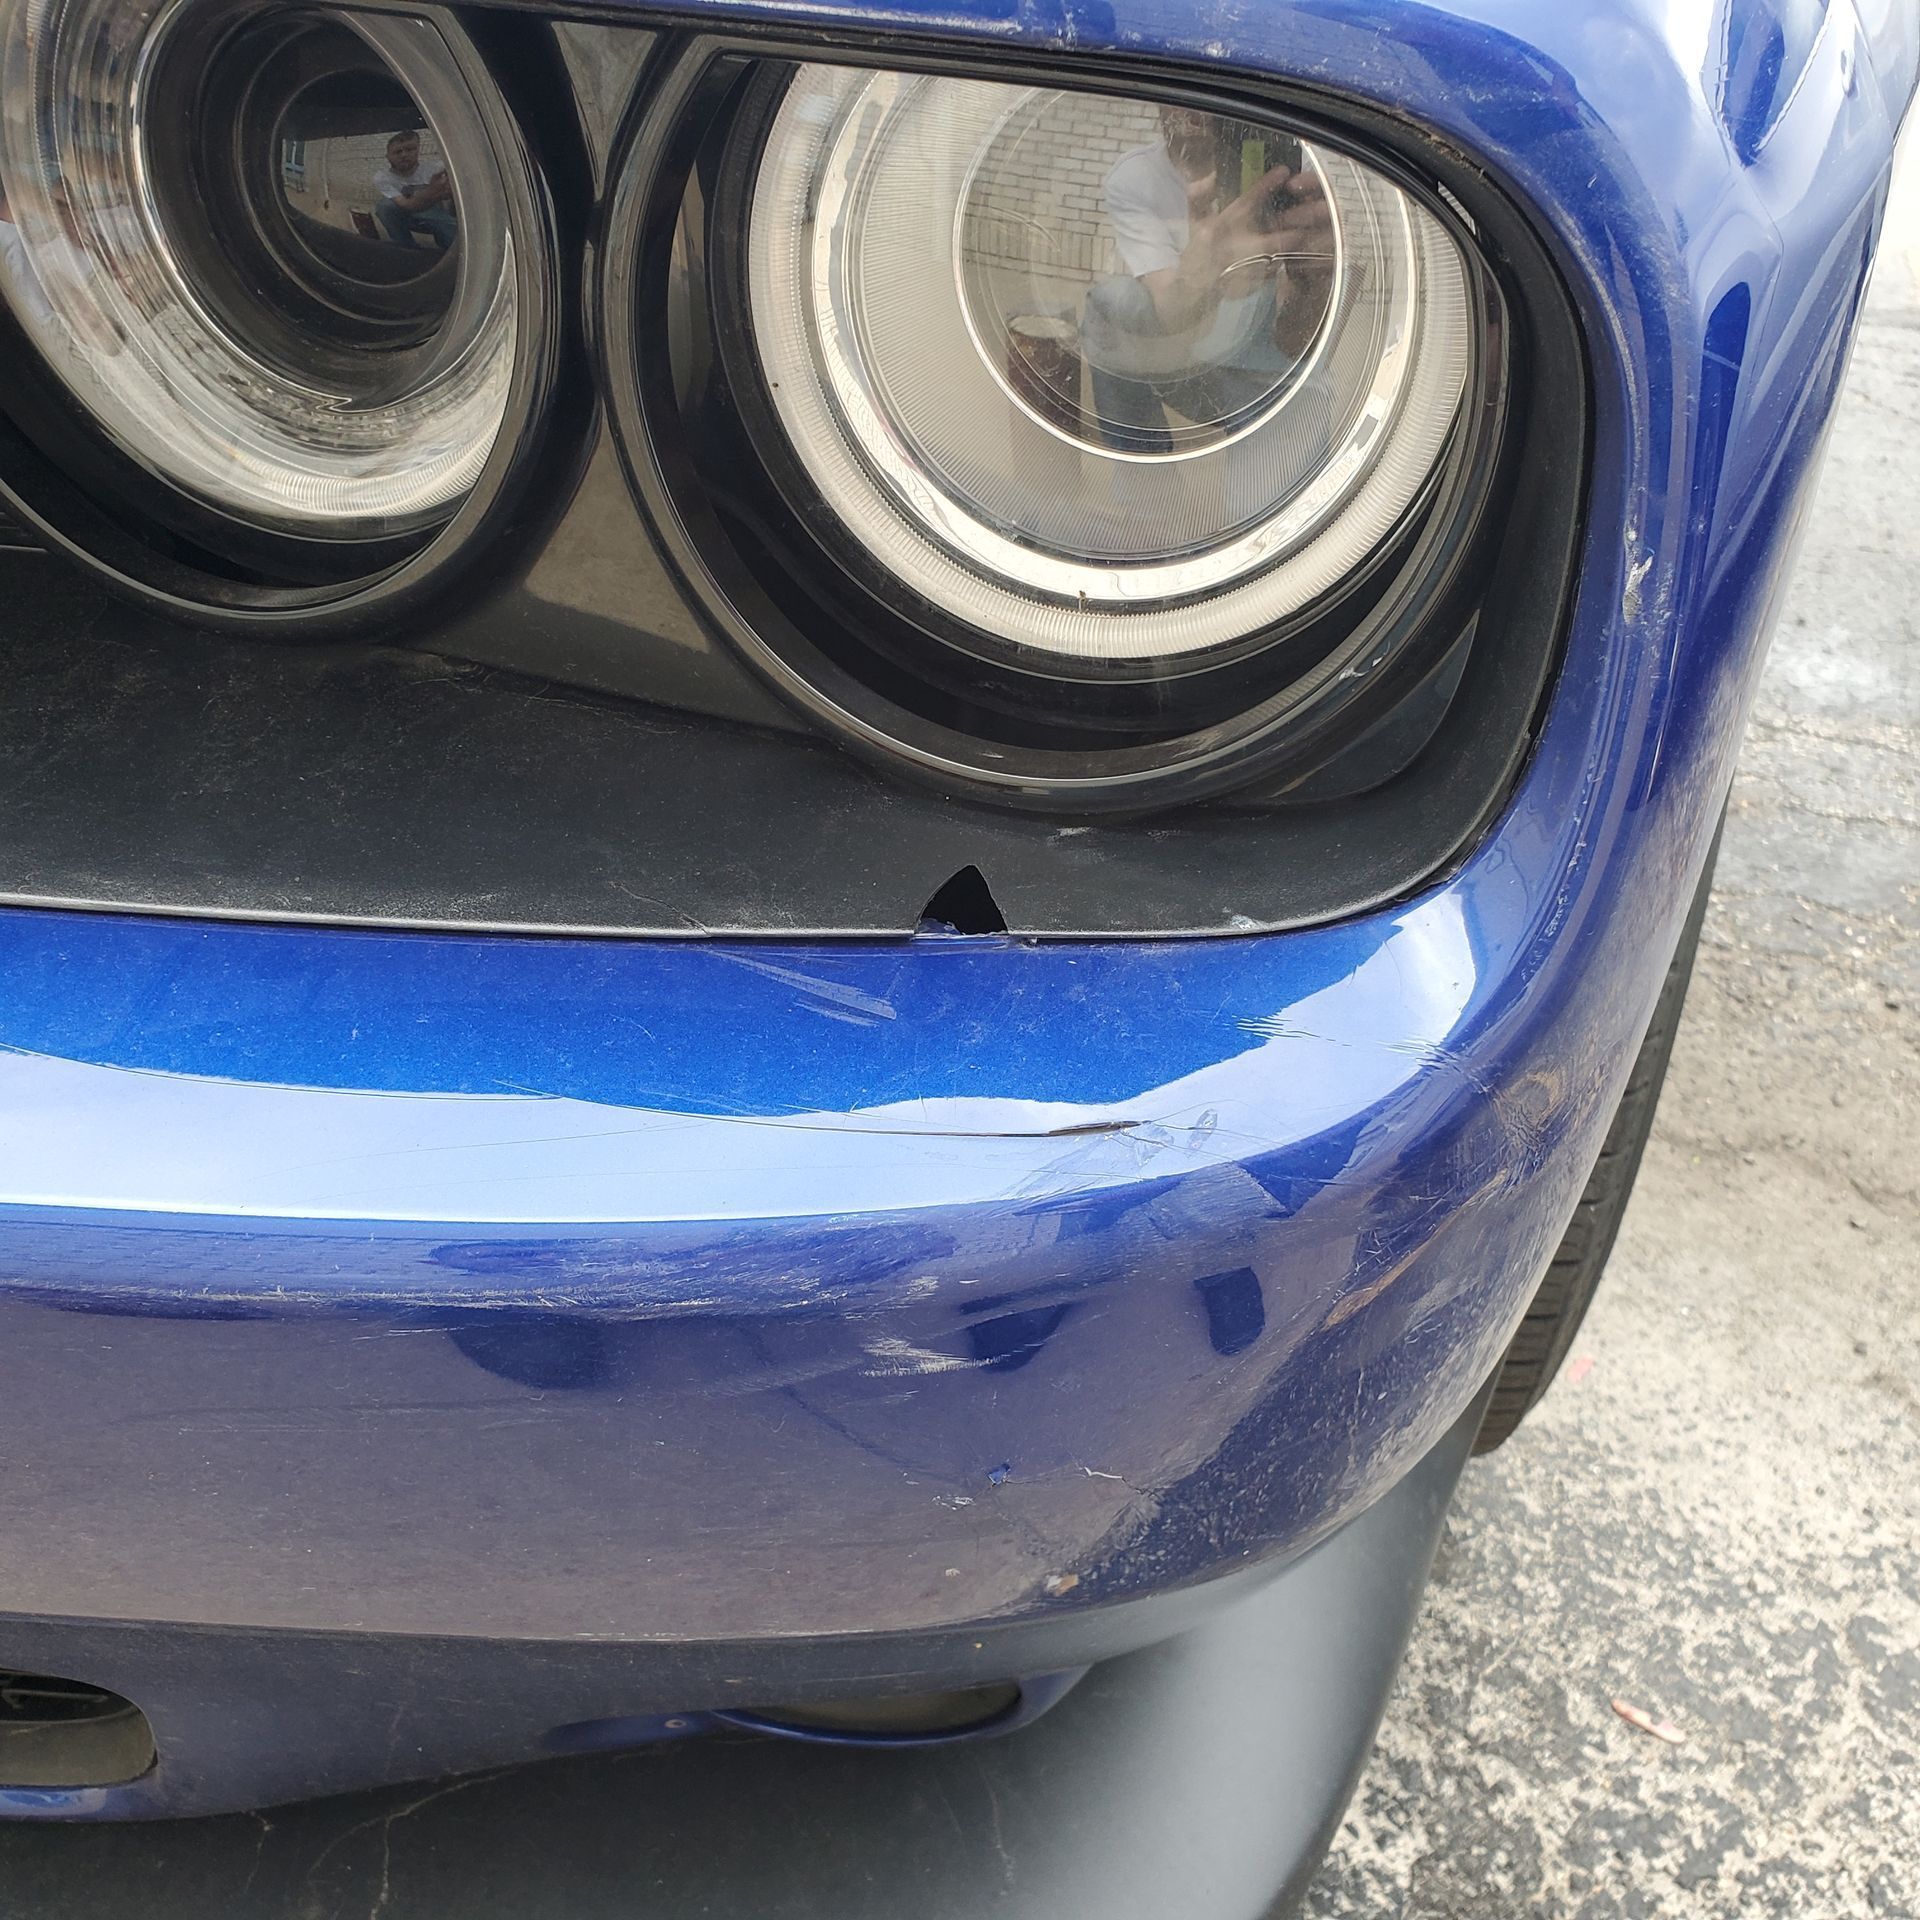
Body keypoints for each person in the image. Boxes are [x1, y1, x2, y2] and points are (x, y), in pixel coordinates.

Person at [1083, 107, 1335, 458]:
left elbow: (1297, 344)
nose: (1193, 109)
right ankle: (1139, 476)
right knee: (1111, 299)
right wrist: (1205, 272)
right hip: (1184, 357)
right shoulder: (1136, 176)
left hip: (1272, 375)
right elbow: (1171, 315)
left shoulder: (1304, 176)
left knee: (1287, 510)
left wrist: (1313, 281)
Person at [372, 131, 456, 252]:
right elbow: (407, 205)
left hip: (435, 215)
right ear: (388, 156)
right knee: (384, 206)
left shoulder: (436, 169)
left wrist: (448, 192)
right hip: (406, 217)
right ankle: (406, 249)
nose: (404, 155)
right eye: (397, 152)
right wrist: (433, 191)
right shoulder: (382, 177)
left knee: (454, 245)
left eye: (410, 149)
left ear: (418, 150)